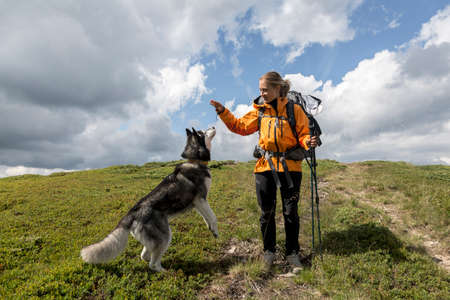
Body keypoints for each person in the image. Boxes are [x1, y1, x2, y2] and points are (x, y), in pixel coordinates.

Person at [210, 71, 318, 269]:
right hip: (265, 168)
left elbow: (303, 134)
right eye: (260, 90)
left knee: (290, 212)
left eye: (266, 90)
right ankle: (269, 252)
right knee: (266, 213)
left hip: (291, 168)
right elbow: (239, 127)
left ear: (278, 89)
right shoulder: (259, 111)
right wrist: (222, 111)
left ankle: (292, 254)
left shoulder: (295, 110)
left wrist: (308, 141)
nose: (263, 93)